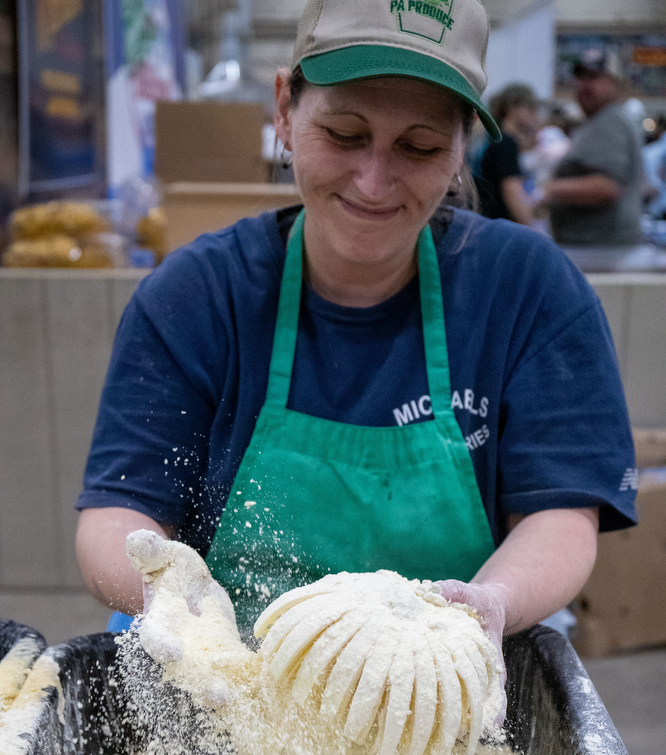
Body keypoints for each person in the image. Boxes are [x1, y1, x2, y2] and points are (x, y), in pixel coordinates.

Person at [76, 0, 637, 678]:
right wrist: (183, 612)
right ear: (284, 110)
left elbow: (559, 515)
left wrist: (487, 606)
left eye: (421, 147)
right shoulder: (199, 296)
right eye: (344, 134)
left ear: (464, 148)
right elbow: (118, 514)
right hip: (221, 680)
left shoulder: (528, 292)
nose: (374, 182)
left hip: (443, 688)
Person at [545, 48, 644, 246]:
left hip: (600, 248)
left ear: (615, 82)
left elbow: (607, 187)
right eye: (580, 77)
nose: (583, 84)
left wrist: (549, 189)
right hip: (599, 246)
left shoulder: (609, 120)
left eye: (593, 77)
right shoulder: (604, 120)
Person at [477, 83, 539, 225]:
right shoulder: (505, 143)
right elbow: (511, 191)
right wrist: (535, 231)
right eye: (530, 107)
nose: (535, 113)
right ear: (512, 108)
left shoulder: (491, 138)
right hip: (499, 224)